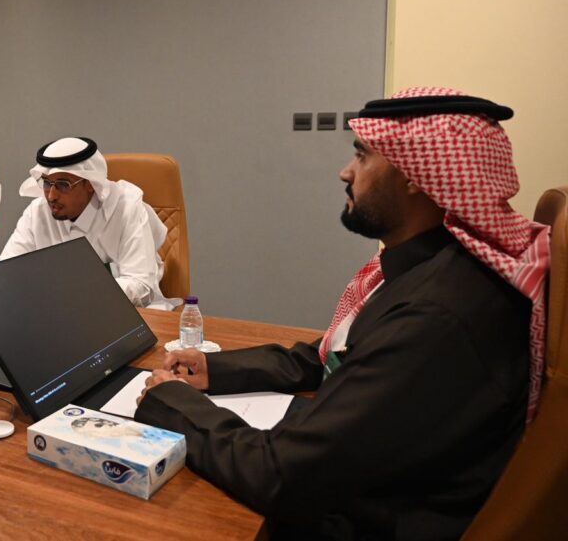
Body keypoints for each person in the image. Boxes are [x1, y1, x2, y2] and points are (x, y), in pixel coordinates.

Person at [136, 88, 550, 541]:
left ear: (415, 175)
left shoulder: (439, 313)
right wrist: (214, 369)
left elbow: (282, 476)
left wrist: (173, 402)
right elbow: (338, 356)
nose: (345, 172)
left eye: (362, 155)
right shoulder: (434, 266)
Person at [0, 137, 170, 308]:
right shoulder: (37, 212)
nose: (51, 196)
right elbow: (6, 273)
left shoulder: (127, 208)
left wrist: (76, 294)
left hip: (124, 311)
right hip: (52, 311)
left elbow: (141, 286)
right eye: (47, 183)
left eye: (63, 185)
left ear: (90, 184)